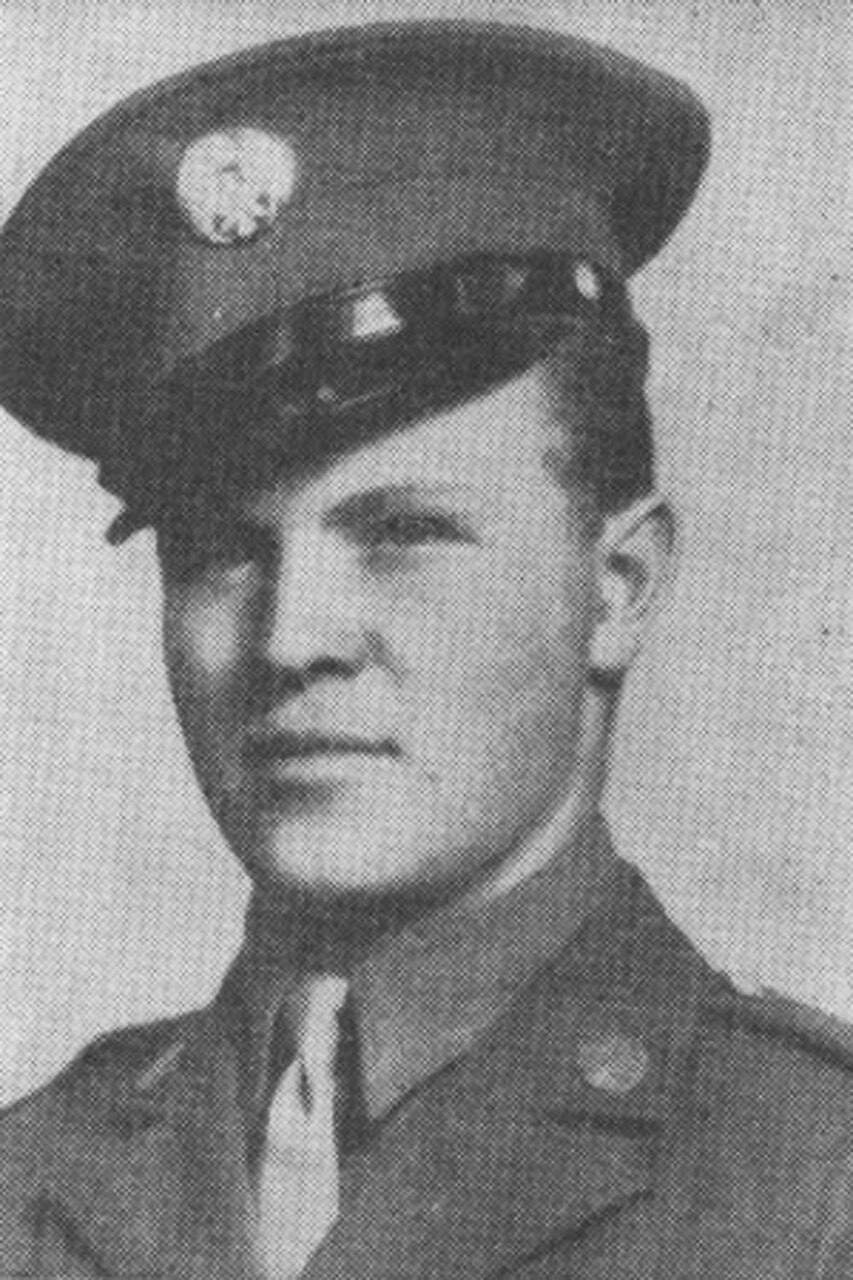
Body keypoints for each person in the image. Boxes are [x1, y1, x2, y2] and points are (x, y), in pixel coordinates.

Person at [0, 16, 851, 1279]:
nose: (290, 639)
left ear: (615, 587)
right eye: (220, 551)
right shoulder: (32, 1175)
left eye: (402, 531)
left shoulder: (812, 1178)